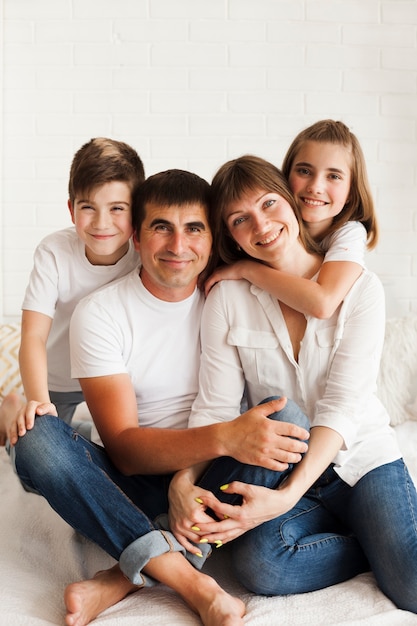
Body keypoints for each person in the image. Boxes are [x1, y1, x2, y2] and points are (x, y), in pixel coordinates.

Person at [13, 168, 309, 626]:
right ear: (135, 237)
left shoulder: (233, 295)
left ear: (212, 239)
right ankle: (196, 585)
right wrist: (226, 437)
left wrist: (220, 453)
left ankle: (120, 579)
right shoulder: (102, 313)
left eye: (194, 229)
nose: (177, 246)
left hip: (215, 477)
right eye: (161, 228)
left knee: (288, 418)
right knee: (37, 440)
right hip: (132, 480)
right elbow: (126, 451)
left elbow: (320, 269)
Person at [168, 155, 417, 614]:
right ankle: (367, 544)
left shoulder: (360, 288)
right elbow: (215, 409)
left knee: (412, 586)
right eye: (241, 219)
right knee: (262, 567)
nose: (261, 225)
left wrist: (285, 498)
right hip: (285, 467)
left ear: (289, 200)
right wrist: (181, 483)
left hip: (361, 459)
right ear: (231, 236)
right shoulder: (226, 297)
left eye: (268, 204)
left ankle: (382, 541)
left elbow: (343, 405)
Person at [0, 137, 145, 447]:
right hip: (59, 379)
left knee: (118, 453)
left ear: (137, 210)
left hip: (118, 379)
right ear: (71, 209)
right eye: (88, 207)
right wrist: (39, 403)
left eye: (117, 208)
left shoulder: (145, 254)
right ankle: (11, 411)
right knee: (38, 449)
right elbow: (34, 336)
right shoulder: (54, 251)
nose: (102, 222)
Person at [204, 120, 378, 320]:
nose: (315, 186)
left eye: (334, 176)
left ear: (351, 192)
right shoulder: (271, 225)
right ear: (284, 180)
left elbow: (323, 304)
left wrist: (247, 269)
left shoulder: (350, 233)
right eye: (304, 171)